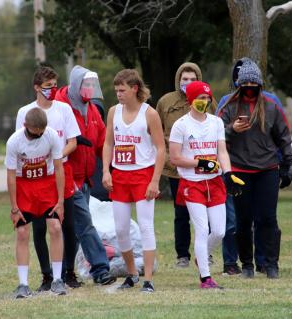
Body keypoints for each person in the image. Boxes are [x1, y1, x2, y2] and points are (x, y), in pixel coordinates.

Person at [218, 60, 292, 279]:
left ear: (260, 84)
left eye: (254, 82)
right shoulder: (229, 107)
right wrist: (231, 129)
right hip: (239, 170)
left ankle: (271, 264)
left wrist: (290, 163)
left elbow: (284, 138)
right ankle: (247, 265)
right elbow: (216, 138)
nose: (250, 85)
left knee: (267, 218)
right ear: (239, 84)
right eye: (246, 82)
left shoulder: (271, 106)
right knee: (244, 220)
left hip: (267, 169)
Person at [169, 81, 244, 289]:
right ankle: (206, 278)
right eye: (199, 98)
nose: (204, 102)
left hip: (214, 182)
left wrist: (228, 174)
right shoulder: (181, 125)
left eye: (207, 98)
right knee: (202, 229)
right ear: (189, 100)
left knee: (220, 231)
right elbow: (174, 158)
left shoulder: (216, 123)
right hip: (192, 183)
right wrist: (200, 163)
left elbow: (222, 151)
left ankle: (202, 256)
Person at [15, 66, 81, 290]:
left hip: (61, 171)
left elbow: (73, 141)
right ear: (36, 88)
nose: (52, 90)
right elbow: (19, 144)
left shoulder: (64, 109)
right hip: (36, 176)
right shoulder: (25, 112)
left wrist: (56, 156)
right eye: (47, 87)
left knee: (68, 225)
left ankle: (68, 272)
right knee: (40, 228)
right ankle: (47, 275)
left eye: (54, 86)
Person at [102, 69, 166, 292]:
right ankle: (132, 275)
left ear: (134, 88)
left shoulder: (149, 114)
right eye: (116, 90)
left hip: (143, 175)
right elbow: (108, 143)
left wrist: (155, 181)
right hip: (119, 175)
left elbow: (160, 148)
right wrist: (106, 171)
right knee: (120, 229)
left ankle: (148, 279)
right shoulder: (113, 112)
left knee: (146, 227)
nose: (118, 94)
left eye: (122, 90)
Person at [55, 65, 116, 285]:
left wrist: (112, 166)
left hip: (86, 178)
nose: (90, 89)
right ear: (75, 85)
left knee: (72, 228)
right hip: (67, 176)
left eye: (92, 85)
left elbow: (101, 142)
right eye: (86, 84)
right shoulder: (60, 108)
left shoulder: (90, 109)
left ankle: (63, 272)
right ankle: (100, 269)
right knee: (85, 223)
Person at [156, 62, 217, 268]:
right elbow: (157, 131)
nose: (188, 83)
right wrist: (165, 157)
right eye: (184, 79)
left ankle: (205, 252)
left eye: (192, 79)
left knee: (205, 213)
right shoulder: (166, 101)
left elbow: (214, 128)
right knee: (181, 213)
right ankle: (182, 255)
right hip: (176, 169)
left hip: (203, 169)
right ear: (178, 80)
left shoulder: (208, 100)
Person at [6, 107, 67, 298]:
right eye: (35, 133)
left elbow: (58, 168)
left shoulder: (51, 136)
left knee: (56, 228)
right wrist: (14, 207)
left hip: (46, 184)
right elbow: (10, 176)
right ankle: (23, 284)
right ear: (25, 126)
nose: (39, 135)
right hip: (24, 186)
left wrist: (61, 200)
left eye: (42, 132)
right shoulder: (14, 142)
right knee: (23, 233)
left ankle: (57, 280)